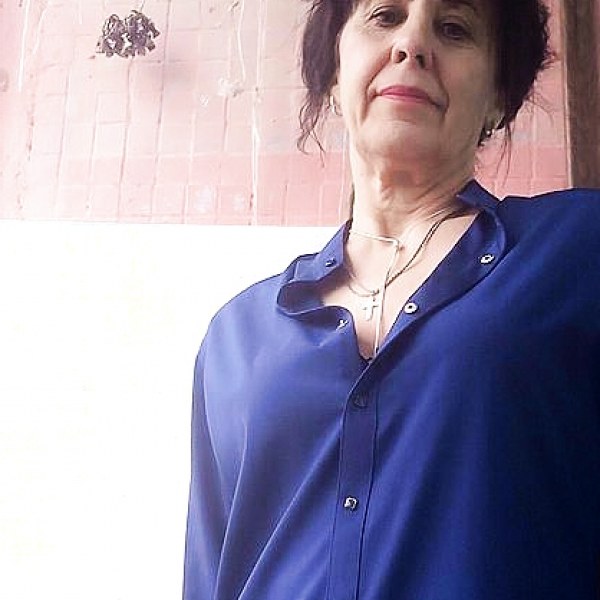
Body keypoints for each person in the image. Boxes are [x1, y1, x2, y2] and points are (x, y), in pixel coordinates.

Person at [183, 0, 600, 598]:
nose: (412, 45)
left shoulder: (577, 253)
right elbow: (212, 572)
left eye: (453, 29)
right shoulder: (235, 336)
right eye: (384, 16)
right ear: (334, 71)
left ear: (498, 97)